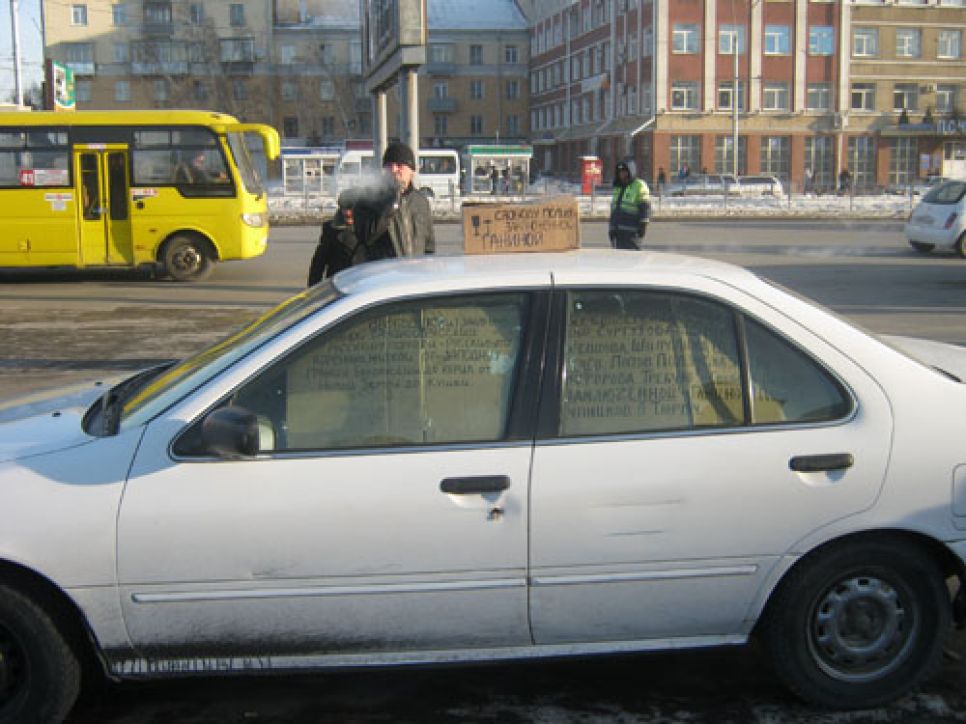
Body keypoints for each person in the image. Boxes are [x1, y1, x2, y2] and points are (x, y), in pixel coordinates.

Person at [306, 141, 434, 285]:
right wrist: (390, 204)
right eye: (389, 165)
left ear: (412, 171)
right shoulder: (370, 199)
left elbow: (429, 246)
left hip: (415, 279)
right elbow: (367, 236)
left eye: (399, 165)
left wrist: (426, 272)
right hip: (384, 280)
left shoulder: (420, 201)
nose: (394, 170)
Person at [608, 159, 650, 251]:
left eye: (625, 171)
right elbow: (614, 210)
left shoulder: (639, 185)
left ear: (631, 171)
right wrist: (611, 229)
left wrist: (643, 225)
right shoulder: (618, 187)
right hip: (618, 233)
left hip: (632, 232)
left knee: (633, 258)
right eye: (620, 172)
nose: (622, 174)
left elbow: (645, 207)